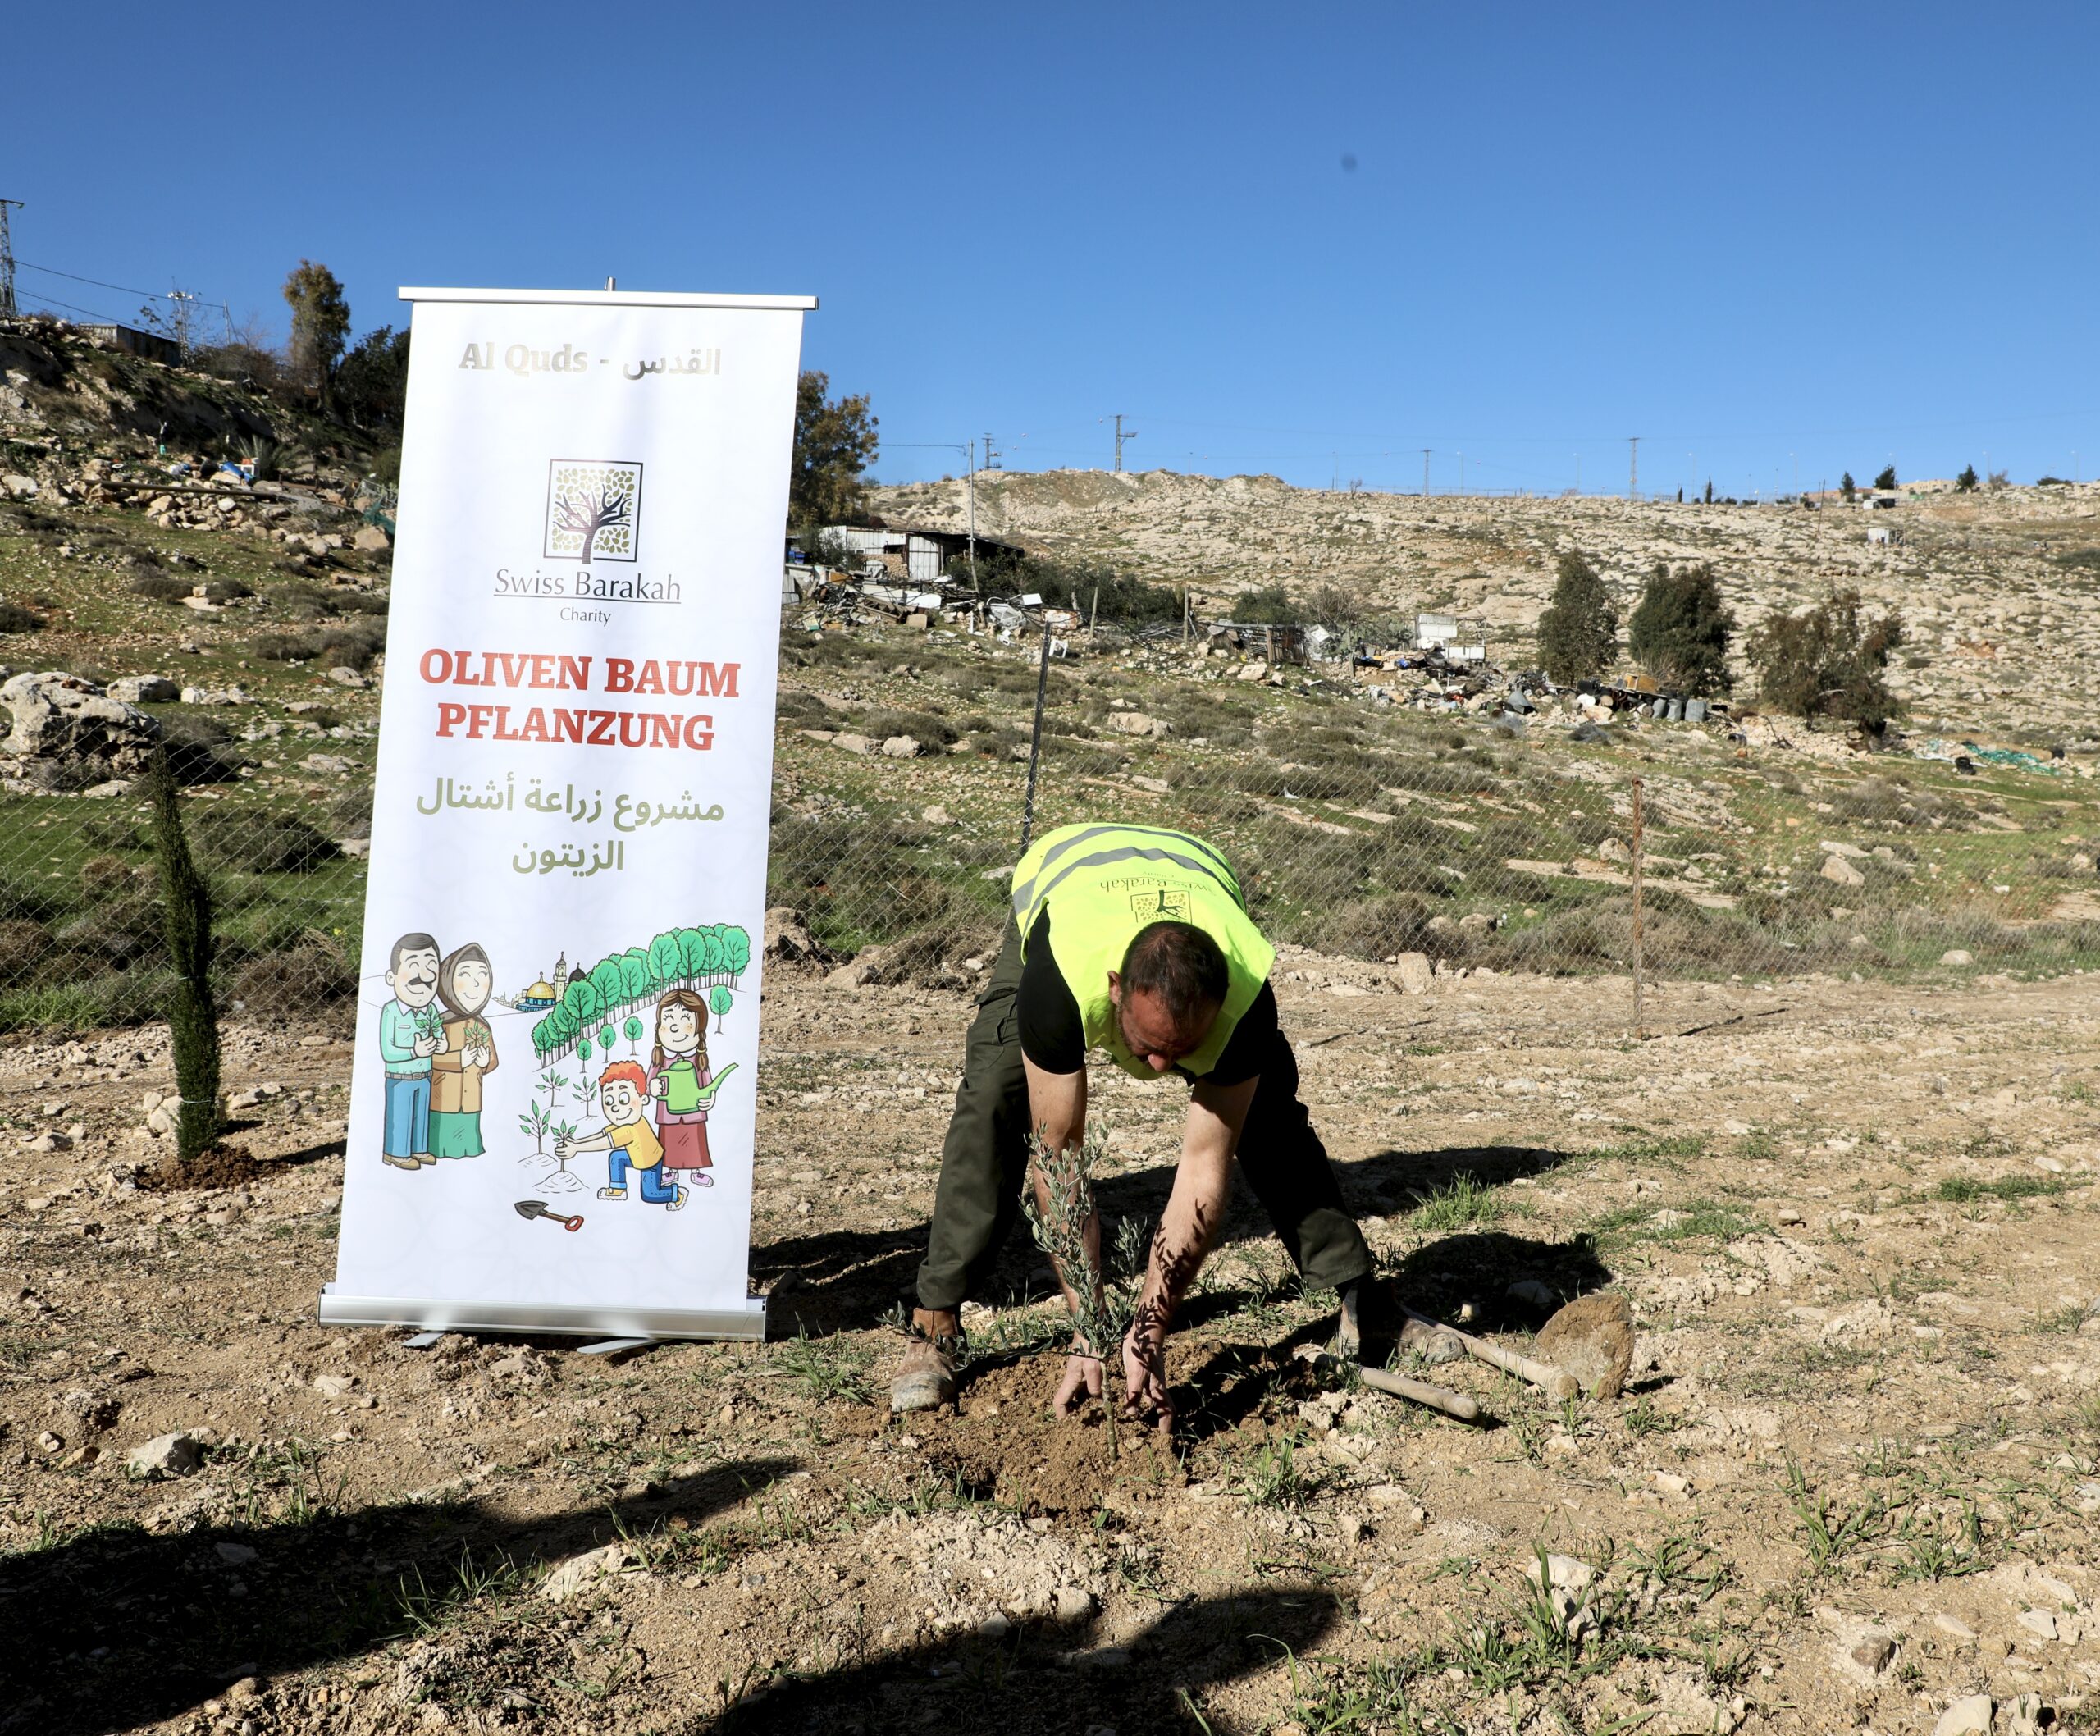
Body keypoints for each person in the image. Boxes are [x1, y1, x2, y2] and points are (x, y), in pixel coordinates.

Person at [891, 822, 1384, 1427]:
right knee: (995, 1093)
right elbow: (1059, 1159)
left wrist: (1148, 1332)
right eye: (1149, 1044)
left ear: (1221, 1000)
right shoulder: (1063, 979)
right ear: (1116, 990)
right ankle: (935, 1320)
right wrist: (1090, 1326)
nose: (1157, 1067)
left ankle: (1363, 1298)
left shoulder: (1245, 1003)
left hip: (1196, 870)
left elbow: (1204, 1172)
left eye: (1180, 1050)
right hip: (1066, 876)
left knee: (1268, 1111)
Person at [559, 1061, 685, 1210]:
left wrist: (577, 1148)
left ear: (643, 1099)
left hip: (650, 1162)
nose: (616, 1107)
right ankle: (618, 1189)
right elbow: (603, 1133)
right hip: (638, 1155)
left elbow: (605, 1142)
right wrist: (577, 1142)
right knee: (616, 1157)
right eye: (608, 1101)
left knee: (650, 1194)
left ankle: (677, 1194)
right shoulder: (627, 1122)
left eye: (623, 1100)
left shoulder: (628, 1131)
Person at [377, 933, 446, 1171]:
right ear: (391, 977)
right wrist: (414, 1051)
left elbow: (438, 1029)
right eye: (413, 965)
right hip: (399, 1077)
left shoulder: (431, 1010)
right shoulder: (391, 1011)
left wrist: (441, 1042)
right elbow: (388, 1051)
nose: (424, 975)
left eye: (431, 965)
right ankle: (396, 1153)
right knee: (401, 1115)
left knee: (421, 1115)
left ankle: (418, 1149)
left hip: (425, 1074)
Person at [428, 943, 497, 1160]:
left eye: (482, 975)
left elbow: (493, 1060)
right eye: (464, 975)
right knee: (443, 1139)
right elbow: (428, 1056)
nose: (475, 983)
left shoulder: (483, 1026)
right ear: (448, 982)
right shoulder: (440, 1024)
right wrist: (459, 1059)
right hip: (443, 1098)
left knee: (469, 1137)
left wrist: (486, 1062)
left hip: (471, 1099)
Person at [646, 989, 715, 1190]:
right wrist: (653, 1087)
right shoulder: (661, 1060)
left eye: (685, 1021)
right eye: (669, 1021)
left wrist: (709, 1099)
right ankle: (671, 1170)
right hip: (668, 1114)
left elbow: (709, 1084)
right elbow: (649, 1082)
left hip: (694, 1113)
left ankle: (696, 1171)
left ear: (699, 1029)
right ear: (660, 1028)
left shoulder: (699, 1060)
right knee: (670, 1142)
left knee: (695, 1141)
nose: (676, 1029)